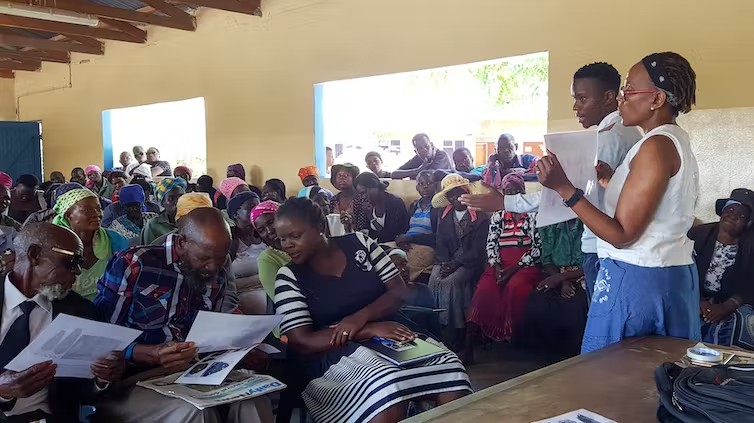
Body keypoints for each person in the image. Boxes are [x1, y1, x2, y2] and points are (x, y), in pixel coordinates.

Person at [537, 51, 701, 353]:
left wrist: (565, 190)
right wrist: (611, 181)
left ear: (656, 100)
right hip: (665, 273)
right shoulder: (670, 140)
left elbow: (623, 234)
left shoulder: (656, 146)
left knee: (611, 378)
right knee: (658, 375)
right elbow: (658, 206)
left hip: (641, 278)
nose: (621, 98)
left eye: (629, 90)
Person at [273, 198, 471, 422]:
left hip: (391, 335)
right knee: (387, 386)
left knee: (450, 368)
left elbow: (399, 291)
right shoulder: (289, 277)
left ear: (319, 228)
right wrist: (366, 330)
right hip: (330, 356)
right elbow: (302, 342)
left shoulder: (360, 243)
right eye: (282, 239)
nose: (287, 245)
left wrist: (360, 318)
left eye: (295, 236)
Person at [94, 208, 272, 423]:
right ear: (181, 243)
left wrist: (239, 349)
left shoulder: (215, 274)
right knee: (196, 412)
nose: (213, 267)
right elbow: (101, 335)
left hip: (194, 371)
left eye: (221, 258)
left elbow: (210, 334)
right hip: (132, 378)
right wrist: (147, 353)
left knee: (252, 400)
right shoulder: (135, 264)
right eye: (205, 258)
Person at [0, 223, 124, 421]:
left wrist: (102, 377)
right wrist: (2, 391)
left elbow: (83, 391)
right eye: (71, 261)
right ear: (34, 255)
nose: (77, 272)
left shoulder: (80, 311)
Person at [464, 173, 540, 361]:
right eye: (508, 193)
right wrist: (497, 266)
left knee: (516, 287)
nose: (512, 196)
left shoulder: (533, 214)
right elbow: (491, 244)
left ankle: (514, 341)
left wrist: (515, 268)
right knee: (484, 290)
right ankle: (468, 349)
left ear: (523, 192)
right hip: (500, 264)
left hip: (526, 264)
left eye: (516, 192)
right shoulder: (498, 215)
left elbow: (539, 248)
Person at [428, 174, 489, 348]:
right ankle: (436, 327)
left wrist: (455, 264)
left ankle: (454, 329)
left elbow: (478, 249)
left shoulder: (480, 217)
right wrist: (444, 262)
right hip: (447, 260)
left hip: (470, 262)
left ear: (466, 192)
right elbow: (440, 241)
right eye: (451, 195)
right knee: (434, 279)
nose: (455, 198)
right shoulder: (444, 215)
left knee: (451, 282)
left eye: (458, 193)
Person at [690, 189, 754, 350]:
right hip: (696, 296)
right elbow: (684, 269)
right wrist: (698, 300)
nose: (733, 216)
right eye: (730, 210)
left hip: (736, 302)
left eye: (741, 216)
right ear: (721, 212)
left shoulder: (751, 244)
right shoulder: (699, 234)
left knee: (740, 324)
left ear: (748, 223)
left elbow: (750, 285)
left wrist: (727, 306)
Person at [519, 217, 588, 361]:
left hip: (584, 275)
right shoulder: (551, 225)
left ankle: (573, 357)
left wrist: (563, 278)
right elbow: (547, 260)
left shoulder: (589, 223)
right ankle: (545, 358)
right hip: (556, 273)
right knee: (537, 300)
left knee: (575, 305)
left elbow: (595, 261)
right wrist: (561, 280)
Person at [52, 188, 128, 300]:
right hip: (69, 313)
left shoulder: (115, 240)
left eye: (98, 209)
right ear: (68, 215)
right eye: (87, 210)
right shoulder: (55, 245)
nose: (96, 214)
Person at [393, 170, 440, 281]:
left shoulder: (439, 207)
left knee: (406, 264)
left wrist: (412, 238)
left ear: (436, 186)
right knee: (383, 252)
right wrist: (402, 239)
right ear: (417, 187)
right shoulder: (414, 205)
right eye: (421, 184)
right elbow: (405, 229)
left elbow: (440, 237)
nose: (425, 187)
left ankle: (407, 290)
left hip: (427, 246)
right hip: (408, 243)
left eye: (429, 183)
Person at [228, 191, 267, 313]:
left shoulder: (265, 235)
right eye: (251, 207)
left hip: (270, 287)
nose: (256, 211)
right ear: (236, 214)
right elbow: (226, 284)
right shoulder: (230, 241)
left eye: (258, 206)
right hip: (244, 294)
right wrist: (261, 279)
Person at [250, 201, 290, 302]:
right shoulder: (267, 259)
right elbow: (282, 299)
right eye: (261, 230)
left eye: (271, 222)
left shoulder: (304, 243)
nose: (269, 231)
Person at [354, 172, 408, 243]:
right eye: (360, 194)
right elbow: (368, 231)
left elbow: (391, 235)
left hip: (394, 245)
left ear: (375, 187)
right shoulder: (369, 204)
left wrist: (371, 218)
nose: (363, 197)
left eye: (364, 192)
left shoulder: (395, 203)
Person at [140, 178, 186, 245]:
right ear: (162, 203)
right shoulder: (153, 226)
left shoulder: (191, 221)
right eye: (171, 199)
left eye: (181, 197)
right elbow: (148, 252)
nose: (177, 202)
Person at [331, 163, 370, 234]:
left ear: (354, 179)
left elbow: (364, 227)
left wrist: (351, 222)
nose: (342, 178)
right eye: (339, 175)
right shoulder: (333, 200)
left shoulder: (361, 199)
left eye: (346, 175)